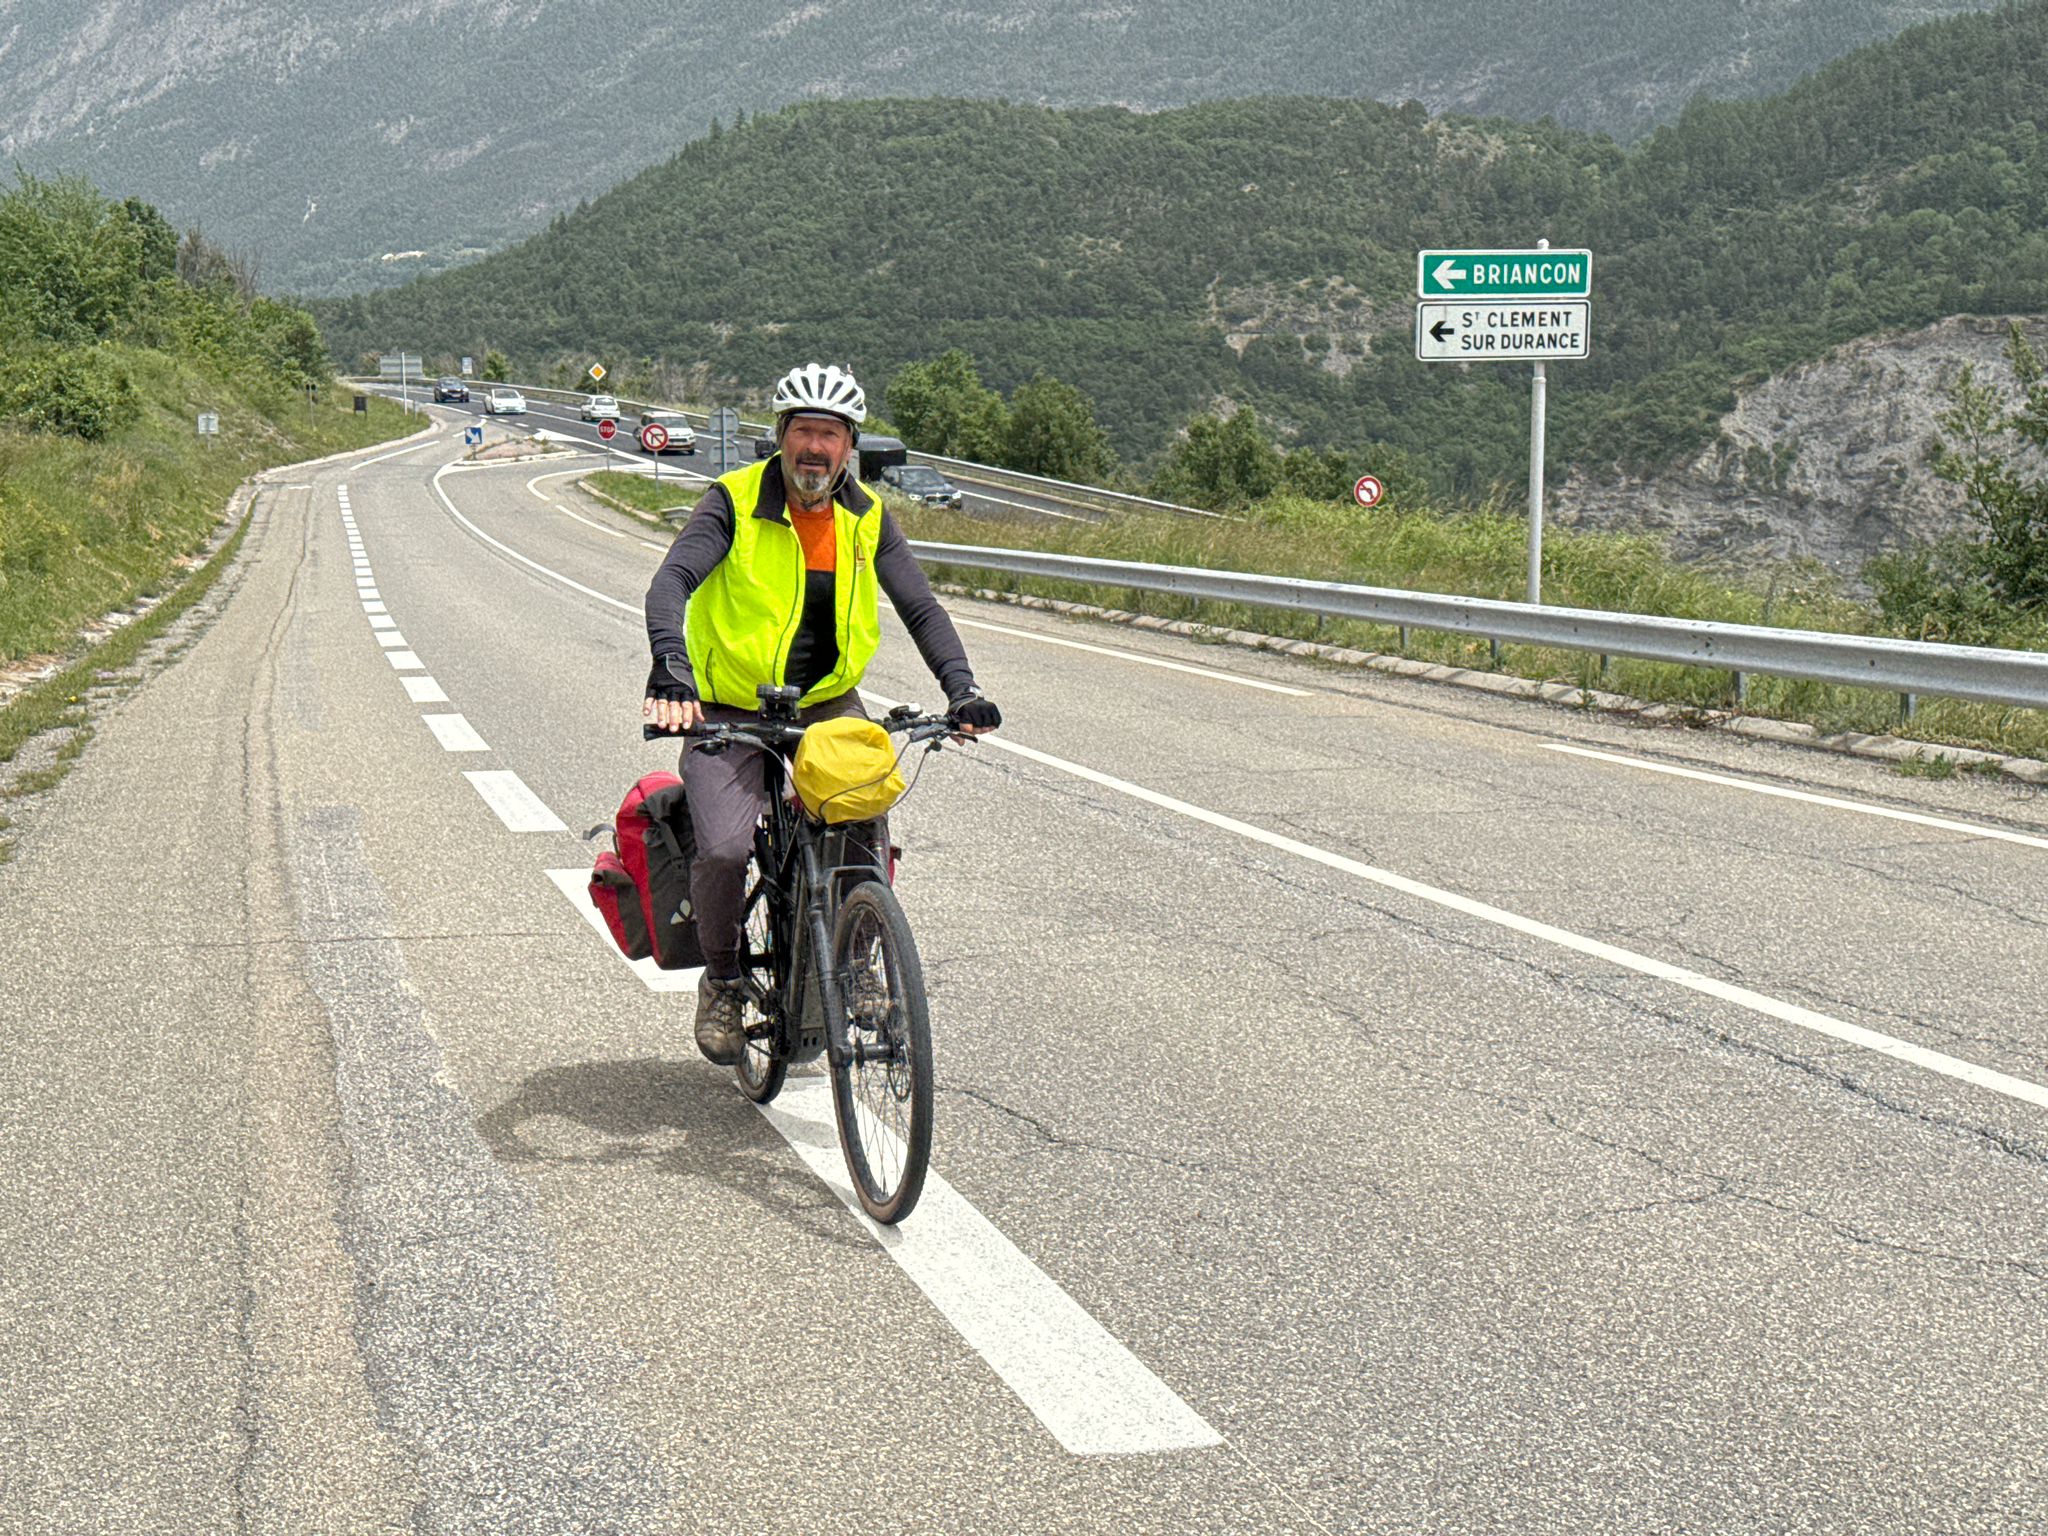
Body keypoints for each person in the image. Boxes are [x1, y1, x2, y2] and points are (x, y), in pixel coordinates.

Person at [643, 362, 1001, 1065]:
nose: (814, 448)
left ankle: (859, 955)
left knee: (861, 820)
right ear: (781, 437)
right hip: (729, 703)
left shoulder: (867, 518)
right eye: (802, 432)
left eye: (829, 435)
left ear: (849, 446)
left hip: (828, 701)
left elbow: (921, 607)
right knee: (724, 848)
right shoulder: (733, 502)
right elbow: (672, 582)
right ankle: (723, 981)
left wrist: (961, 689)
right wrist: (672, 672)